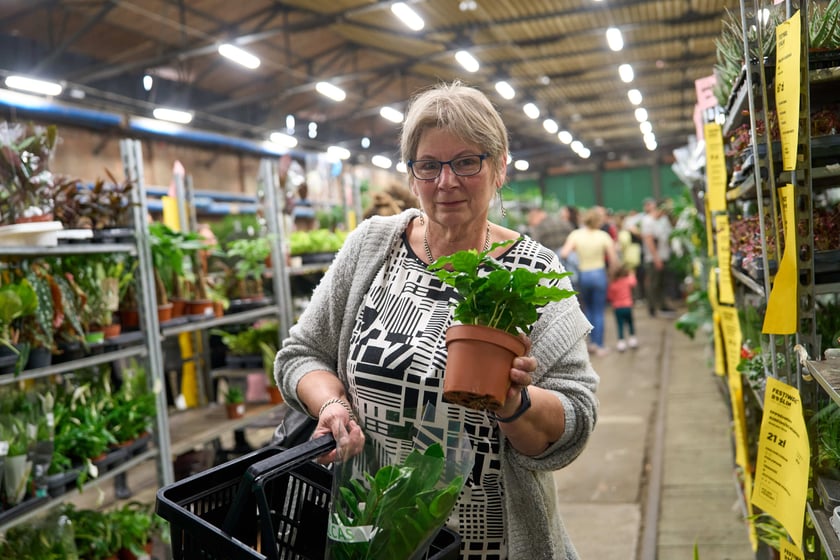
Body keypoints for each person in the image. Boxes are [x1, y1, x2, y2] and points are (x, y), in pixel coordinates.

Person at [275, 81, 599, 560]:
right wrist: (329, 406)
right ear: (412, 175)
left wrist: (516, 401)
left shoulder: (535, 270)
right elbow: (302, 354)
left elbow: (577, 414)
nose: (446, 182)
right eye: (428, 166)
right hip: (372, 533)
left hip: (492, 544)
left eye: (467, 162)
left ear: (500, 167)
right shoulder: (373, 246)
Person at [559, 207, 619, 357]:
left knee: (587, 309)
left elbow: (565, 253)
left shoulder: (576, 235)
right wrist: (611, 275)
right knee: (599, 310)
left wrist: (574, 263)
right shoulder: (603, 236)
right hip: (599, 274)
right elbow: (613, 260)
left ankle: (590, 343)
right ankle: (599, 345)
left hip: (583, 275)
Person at [640, 198, 675, 317]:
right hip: (653, 258)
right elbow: (649, 240)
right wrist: (656, 258)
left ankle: (663, 305)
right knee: (653, 283)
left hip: (664, 255)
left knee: (662, 282)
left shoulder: (663, 219)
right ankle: (652, 307)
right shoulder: (648, 221)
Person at [606, 263, 638, 352]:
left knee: (620, 325)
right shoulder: (627, 281)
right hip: (627, 306)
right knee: (630, 323)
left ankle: (621, 342)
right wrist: (632, 274)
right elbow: (634, 282)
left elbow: (610, 297)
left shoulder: (612, 284)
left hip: (617, 308)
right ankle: (633, 339)